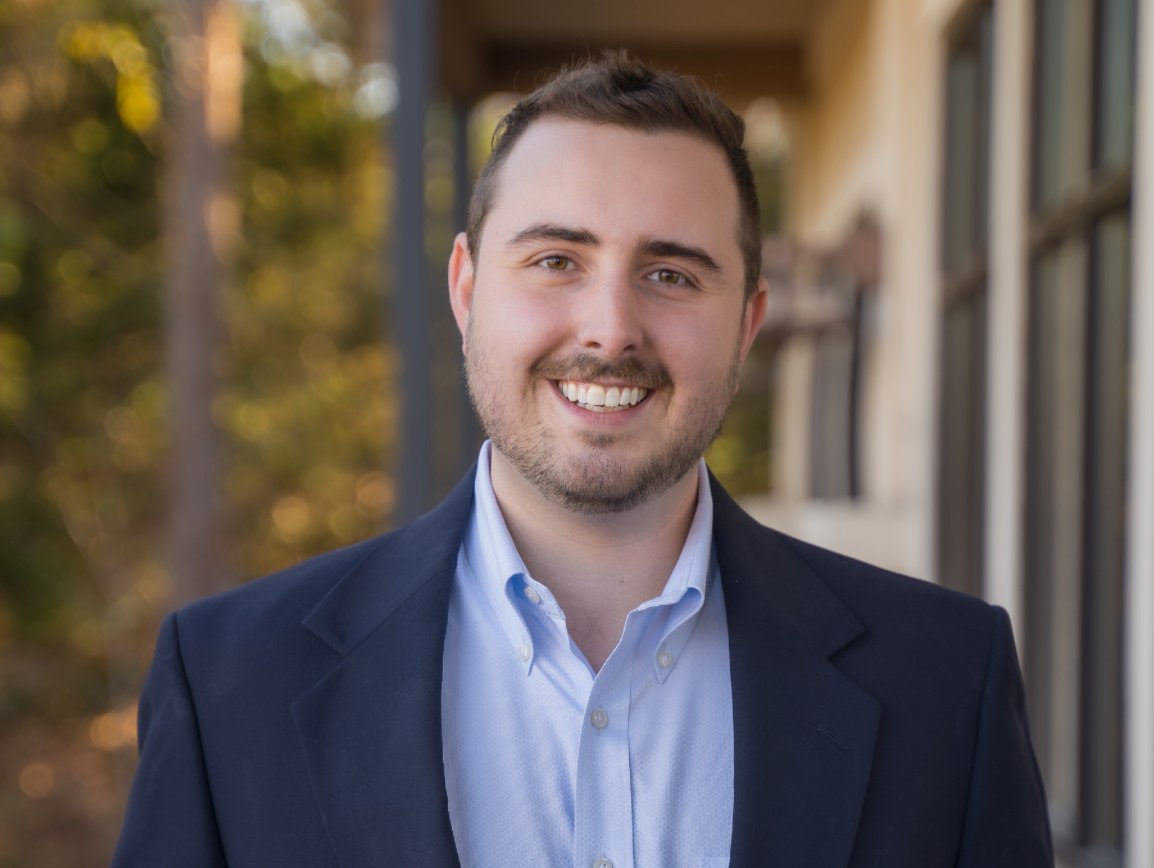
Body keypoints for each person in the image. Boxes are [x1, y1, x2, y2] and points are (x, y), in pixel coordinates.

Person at [112, 52, 1052, 868]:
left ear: (747, 324)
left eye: (672, 274)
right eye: (557, 260)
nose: (610, 331)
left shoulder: (944, 685)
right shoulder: (232, 683)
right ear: (467, 288)